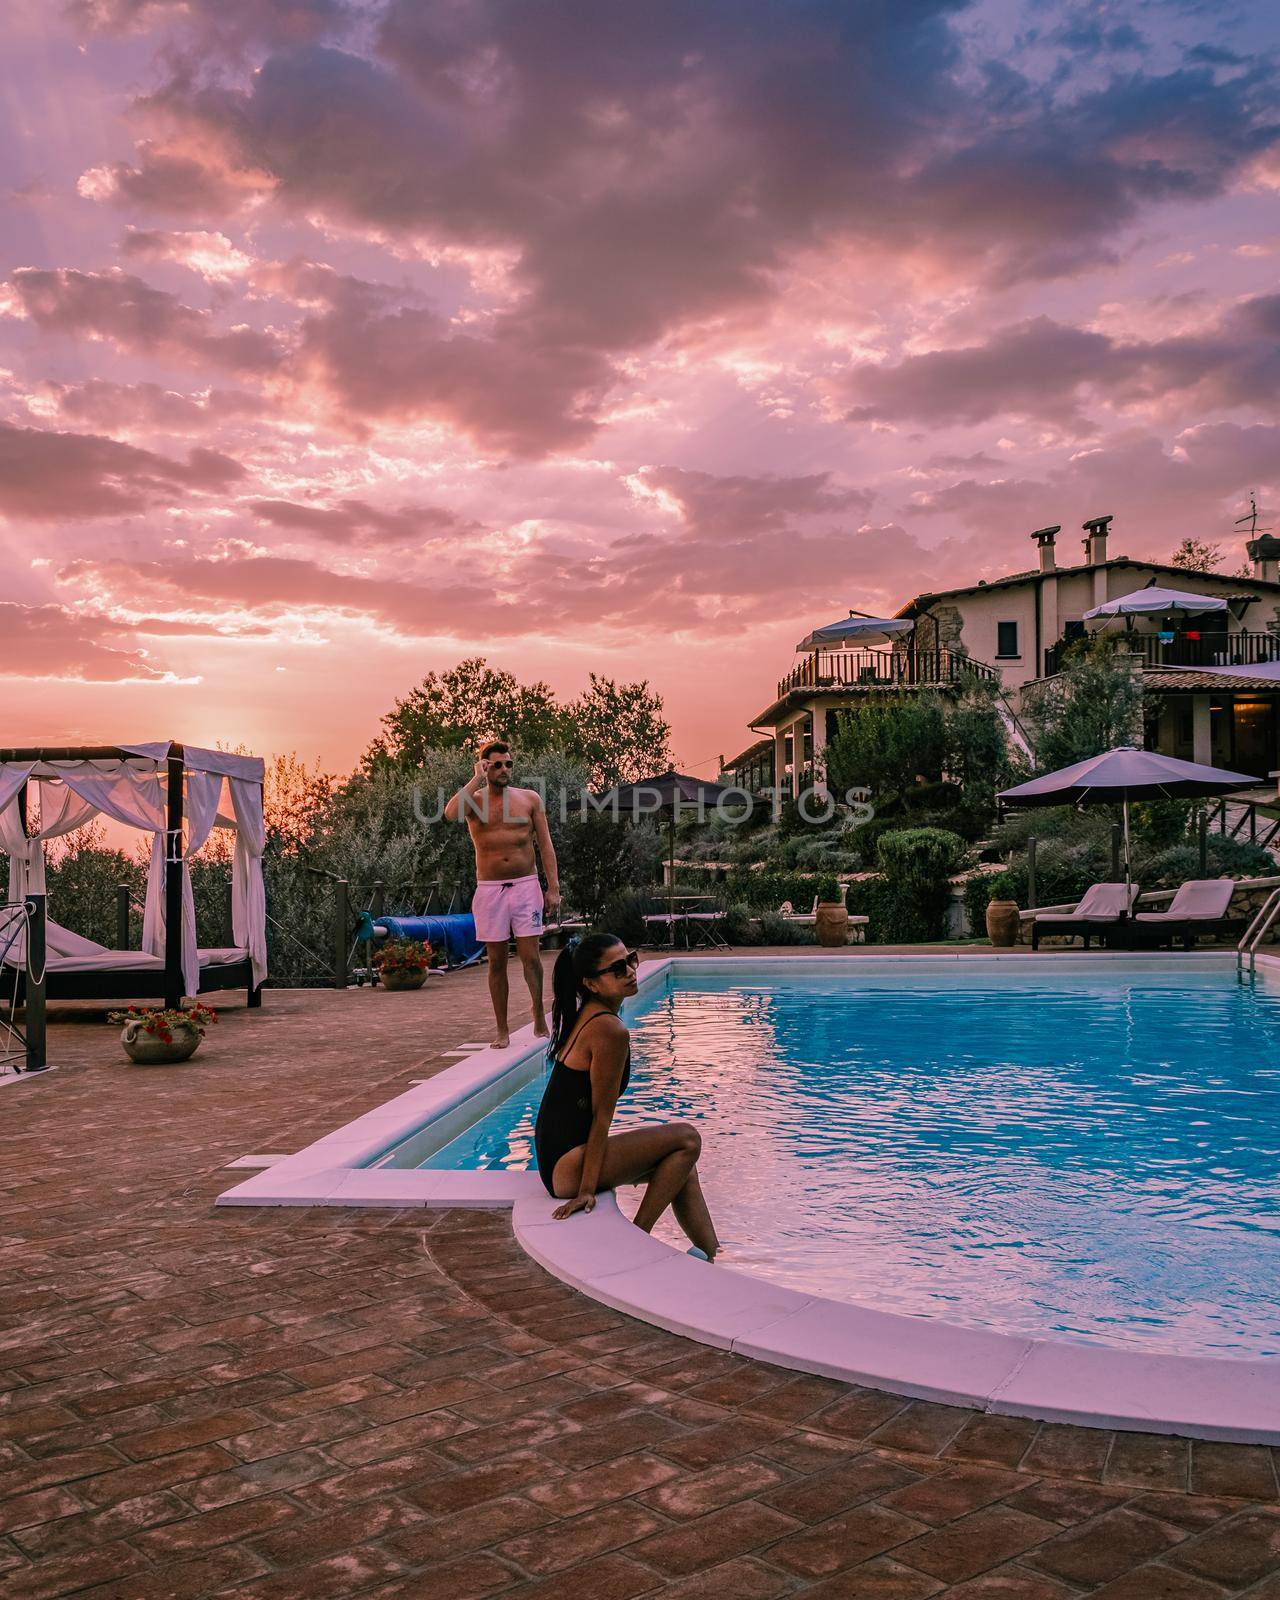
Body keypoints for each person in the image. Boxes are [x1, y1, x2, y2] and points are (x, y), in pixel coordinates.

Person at [534, 931, 719, 1261]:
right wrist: (586, 1191)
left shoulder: (589, 1014)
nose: (631, 971)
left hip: (557, 1162)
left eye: (630, 960)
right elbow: (601, 1116)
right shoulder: (609, 1030)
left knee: (681, 1165)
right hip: (568, 1168)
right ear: (591, 983)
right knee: (687, 1139)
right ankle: (636, 1240)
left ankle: (713, 1256)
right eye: (617, 968)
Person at [445, 740, 560, 1048]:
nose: (505, 769)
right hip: (490, 889)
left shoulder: (529, 799)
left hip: (526, 885)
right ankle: (502, 1029)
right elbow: (451, 814)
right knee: (496, 961)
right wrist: (475, 779)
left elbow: (545, 846)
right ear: (484, 766)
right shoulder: (475, 801)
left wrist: (554, 889)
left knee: (530, 957)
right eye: (497, 764)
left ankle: (538, 1015)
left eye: (508, 764)